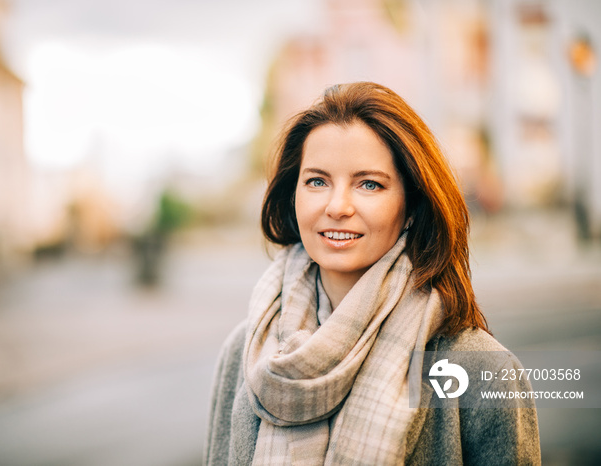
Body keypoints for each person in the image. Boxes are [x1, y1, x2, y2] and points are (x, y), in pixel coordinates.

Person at [204, 82, 541, 465]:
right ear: (292, 195)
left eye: (369, 184)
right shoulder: (246, 351)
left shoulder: (477, 367)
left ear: (411, 204)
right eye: (317, 181)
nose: (337, 206)